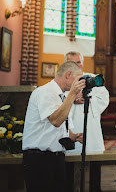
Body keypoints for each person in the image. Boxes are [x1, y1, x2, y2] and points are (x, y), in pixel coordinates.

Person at [22, 61, 85, 192]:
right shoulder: (45, 92)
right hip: (39, 159)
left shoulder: (62, 96)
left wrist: (75, 137)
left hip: (56, 157)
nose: (80, 84)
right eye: (78, 79)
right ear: (68, 75)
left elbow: (62, 129)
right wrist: (73, 94)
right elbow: (56, 121)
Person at [64, 51, 110, 192]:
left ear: (82, 63)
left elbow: (104, 98)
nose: (77, 65)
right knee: (70, 164)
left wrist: (89, 101)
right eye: (73, 63)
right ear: (66, 65)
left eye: (79, 62)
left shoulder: (93, 79)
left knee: (95, 159)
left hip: (91, 126)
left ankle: (95, 188)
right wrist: (73, 98)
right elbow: (57, 102)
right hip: (71, 127)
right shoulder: (64, 82)